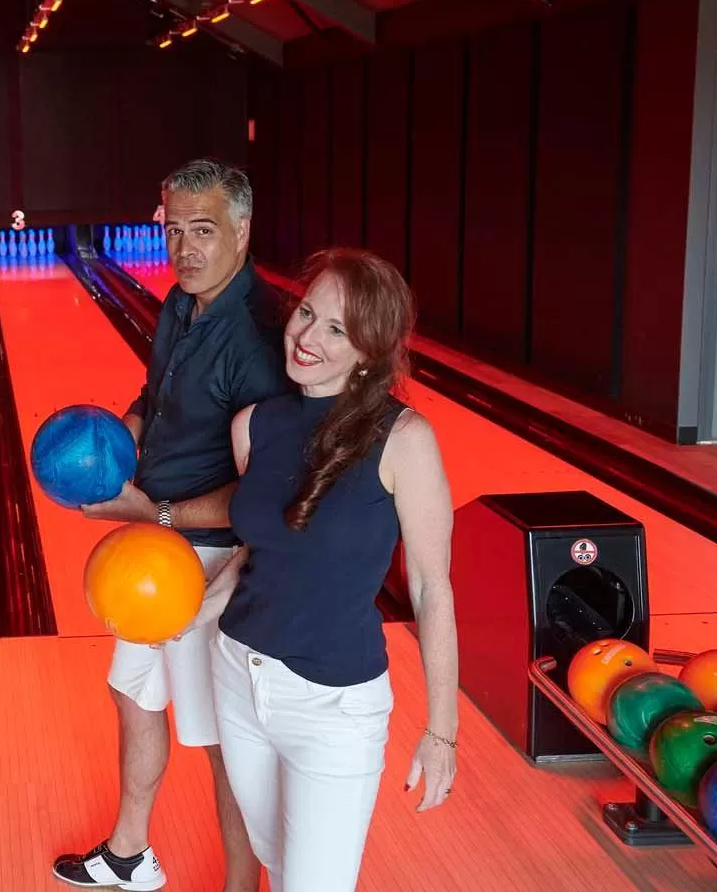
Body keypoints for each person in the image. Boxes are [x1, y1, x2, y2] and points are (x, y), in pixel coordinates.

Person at [53, 159, 285, 892]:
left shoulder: (255, 340)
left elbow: (263, 495)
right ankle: (128, 854)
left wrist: (145, 509)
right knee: (133, 692)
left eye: (204, 230)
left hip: (209, 563)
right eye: (175, 230)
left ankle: (243, 885)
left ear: (242, 230)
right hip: (152, 554)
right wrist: (122, 434)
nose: (184, 249)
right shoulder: (182, 304)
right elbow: (158, 394)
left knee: (223, 743)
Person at [209, 248, 459, 892]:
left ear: (370, 353)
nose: (306, 336)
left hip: (333, 706)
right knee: (275, 855)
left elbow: (432, 589)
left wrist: (442, 733)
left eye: (337, 330)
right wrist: (189, 614)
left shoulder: (405, 439)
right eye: (307, 313)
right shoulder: (253, 427)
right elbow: (266, 551)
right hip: (238, 676)